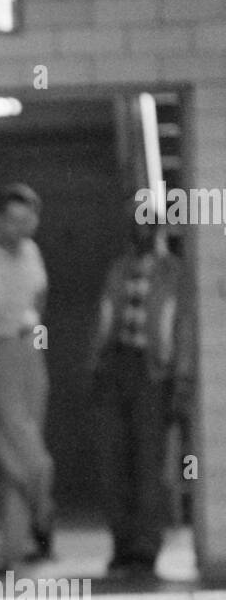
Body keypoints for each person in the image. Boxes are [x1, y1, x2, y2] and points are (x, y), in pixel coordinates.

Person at [89, 202, 194, 580]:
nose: (144, 232)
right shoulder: (119, 267)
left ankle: (146, 547)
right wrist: (96, 363)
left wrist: (180, 377)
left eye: (151, 226)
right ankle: (122, 542)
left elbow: (181, 325)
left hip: (153, 370)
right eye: (139, 225)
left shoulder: (173, 271)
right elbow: (105, 315)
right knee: (112, 459)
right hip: (115, 364)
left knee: (150, 462)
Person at [0, 184, 55, 569]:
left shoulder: (33, 253)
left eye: (29, 220)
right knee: (30, 457)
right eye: (14, 219)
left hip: (31, 349)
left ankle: (12, 551)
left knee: (17, 456)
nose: (21, 227)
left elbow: (38, 298)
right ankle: (44, 516)